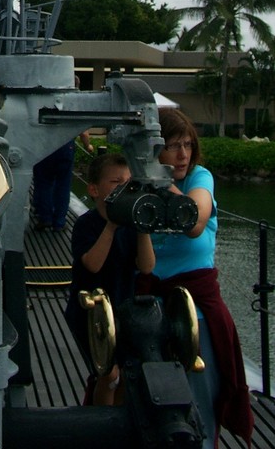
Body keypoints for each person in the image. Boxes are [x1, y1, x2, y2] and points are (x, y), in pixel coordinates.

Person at [136, 108, 253, 449]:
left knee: (200, 405)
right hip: (149, 313)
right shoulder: (136, 182)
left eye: (187, 144)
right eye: (172, 146)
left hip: (195, 315)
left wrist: (161, 182)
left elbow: (195, 223)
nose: (183, 154)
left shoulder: (199, 178)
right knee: (150, 404)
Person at [65, 152, 155, 405]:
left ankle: (121, 418)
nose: (124, 188)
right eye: (116, 182)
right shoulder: (86, 224)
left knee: (126, 375)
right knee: (108, 374)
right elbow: (92, 265)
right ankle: (103, 422)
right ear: (94, 189)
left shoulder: (131, 227)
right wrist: (111, 226)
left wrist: (142, 227)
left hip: (123, 310)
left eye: (128, 182)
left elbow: (146, 267)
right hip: (91, 314)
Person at [32, 130, 93, 231]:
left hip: (44, 146)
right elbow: (84, 133)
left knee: (43, 183)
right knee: (63, 186)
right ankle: (59, 222)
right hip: (65, 147)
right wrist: (88, 146)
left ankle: (45, 218)